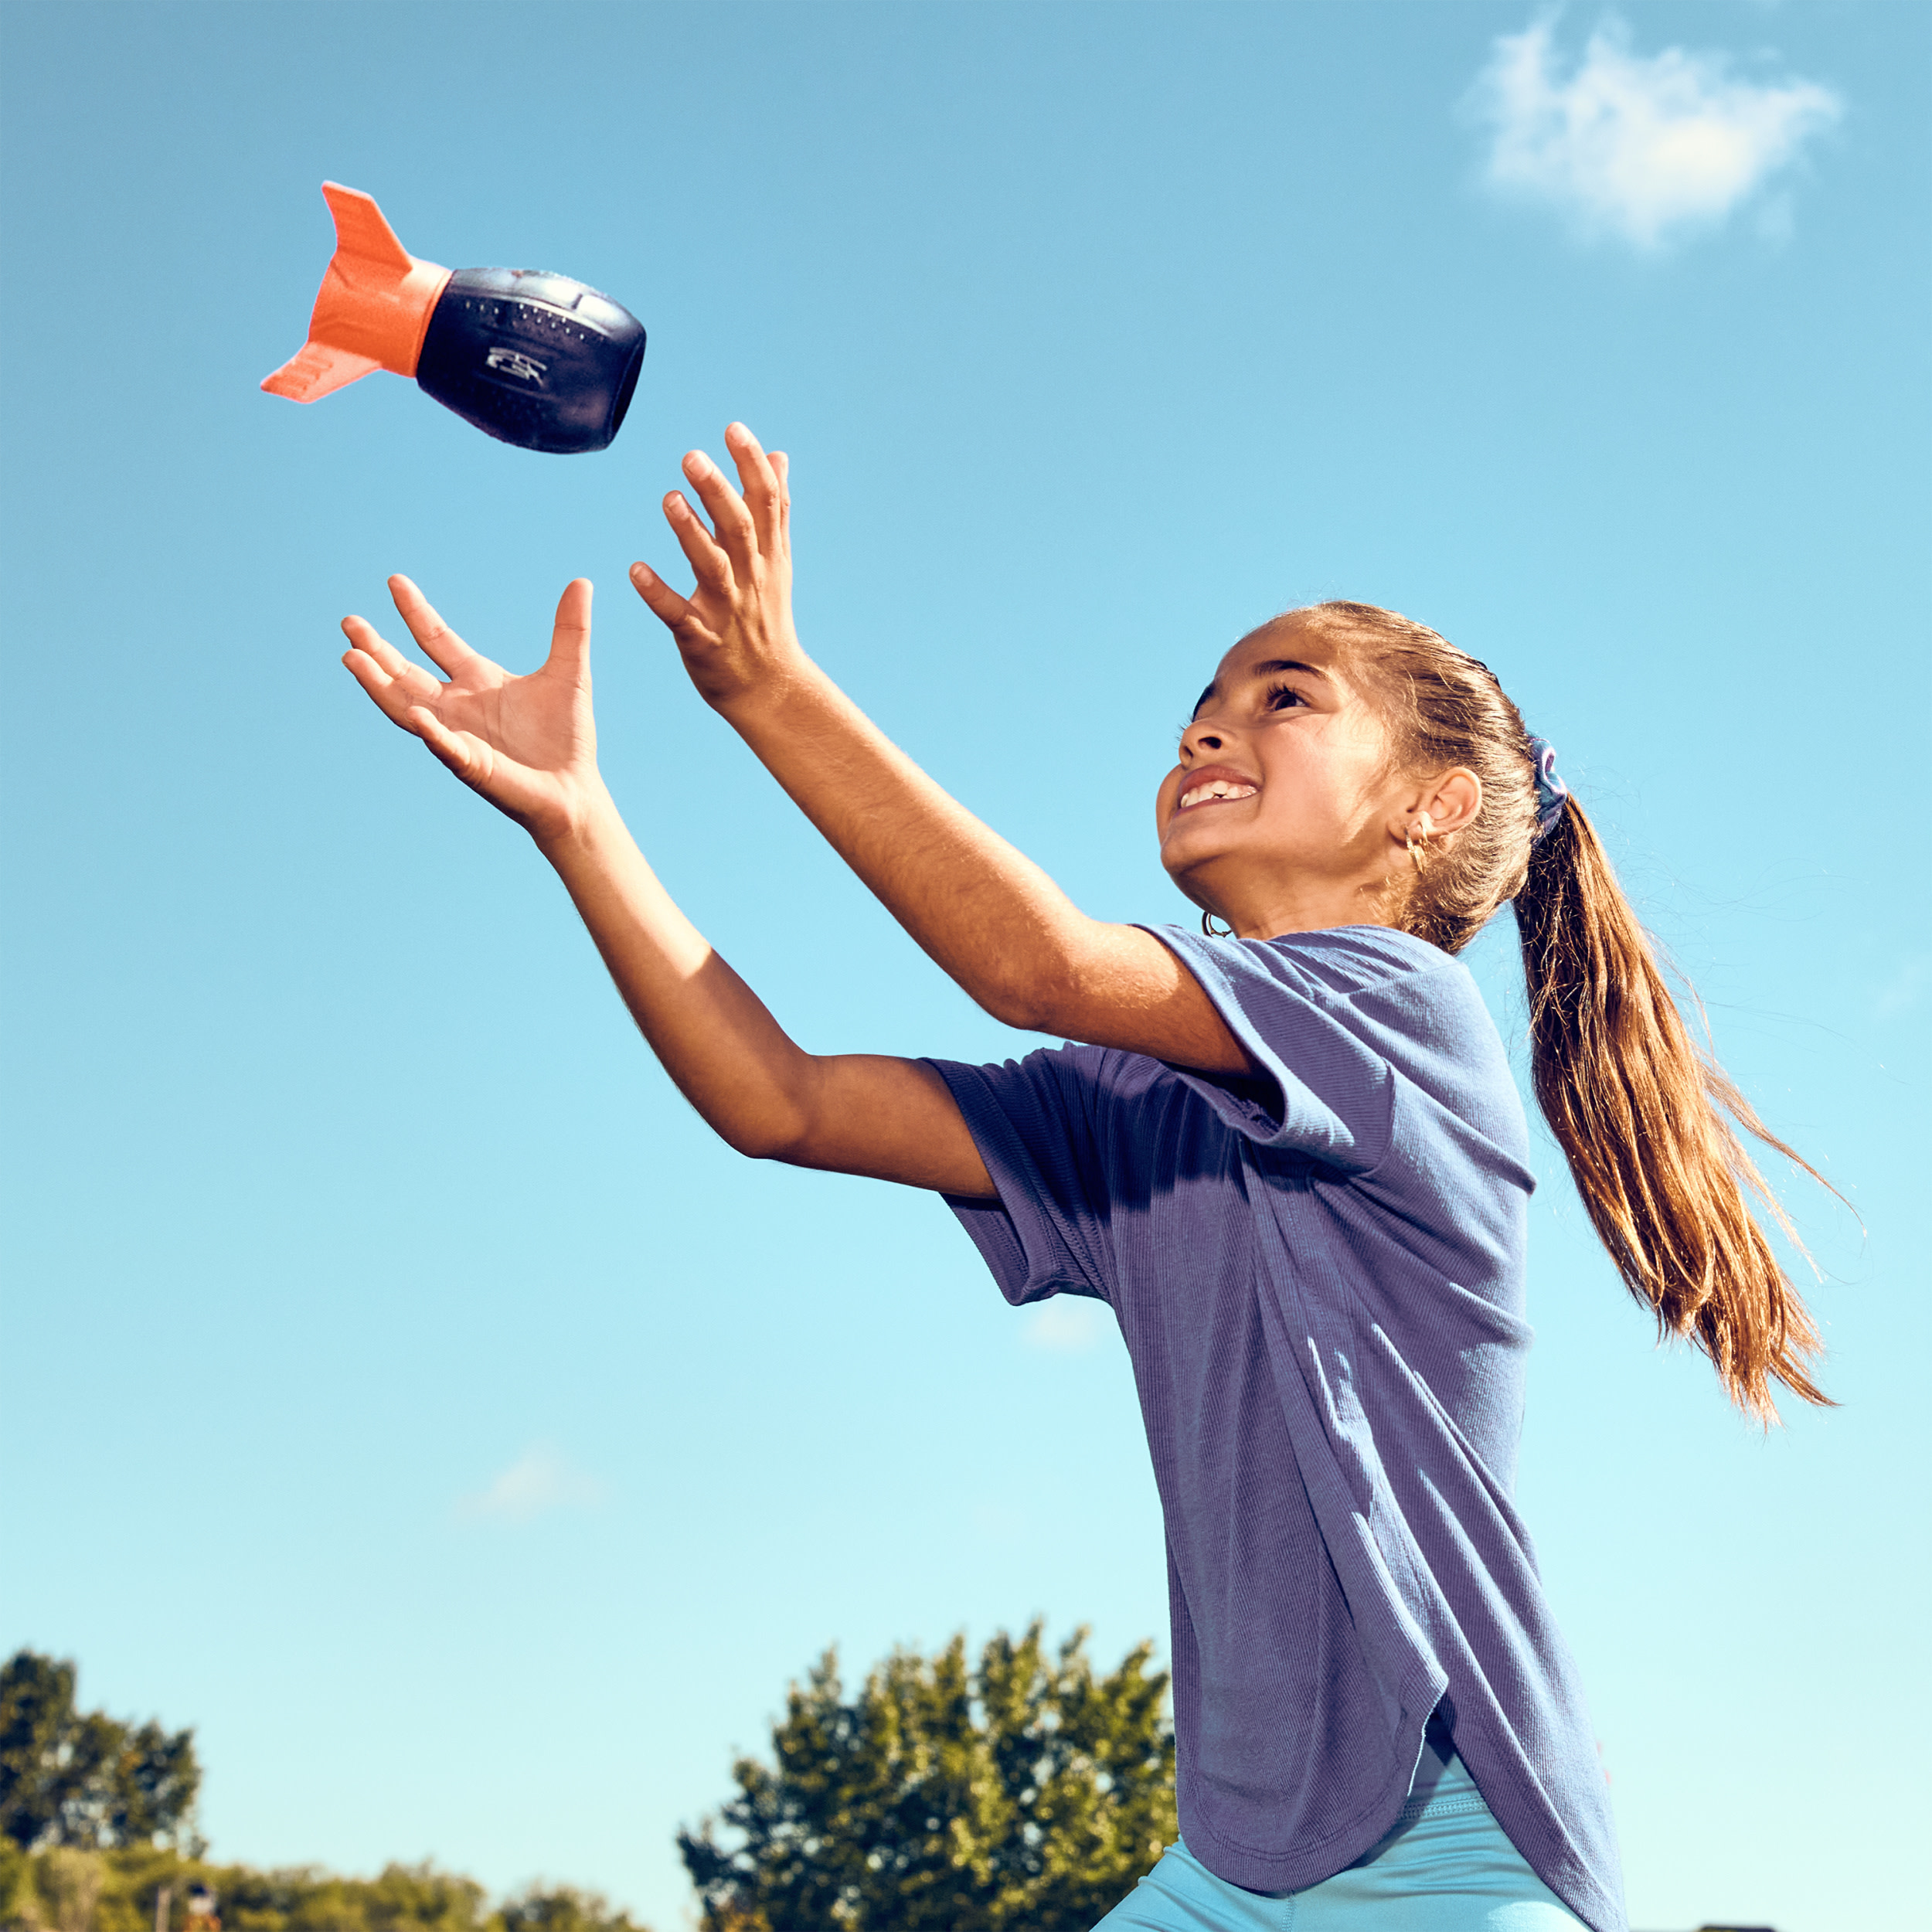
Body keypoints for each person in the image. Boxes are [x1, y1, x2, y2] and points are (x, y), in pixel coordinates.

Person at [341, 424, 1829, 1932]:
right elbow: (777, 1100)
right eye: (1196, 707)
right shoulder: (1131, 1098)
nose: (1205, 730)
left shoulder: (1401, 1012)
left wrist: (766, 685)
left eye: (1281, 697)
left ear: (1429, 806)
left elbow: (1032, 963)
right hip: (1236, 1859)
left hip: (1448, 1832)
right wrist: (581, 819)